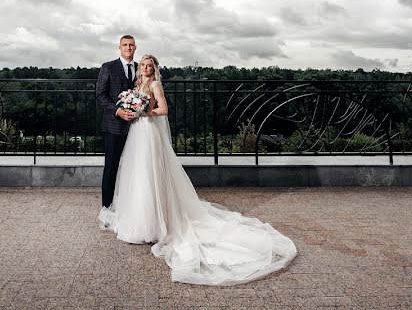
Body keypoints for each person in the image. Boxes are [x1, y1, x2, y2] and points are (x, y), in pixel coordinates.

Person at [98, 55, 297, 286]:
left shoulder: (154, 84)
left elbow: (163, 110)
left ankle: (157, 222)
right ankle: (142, 220)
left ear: (154, 69)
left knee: (152, 174)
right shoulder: (138, 84)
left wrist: (145, 112)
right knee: (139, 176)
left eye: (149, 66)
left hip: (149, 132)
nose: (146, 68)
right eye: (144, 65)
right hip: (138, 133)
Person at [95, 34, 138, 211]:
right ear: (119, 47)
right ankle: (107, 209)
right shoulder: (108, 67)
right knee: (111, 168)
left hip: (137, 128)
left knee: (137, 168)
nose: (128, 47)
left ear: (135, 48)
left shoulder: (140, 68)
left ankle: (133, 210)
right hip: (113, 126)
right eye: (125, 45)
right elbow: (100, 95)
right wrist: (118, 111)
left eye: (131, 45)